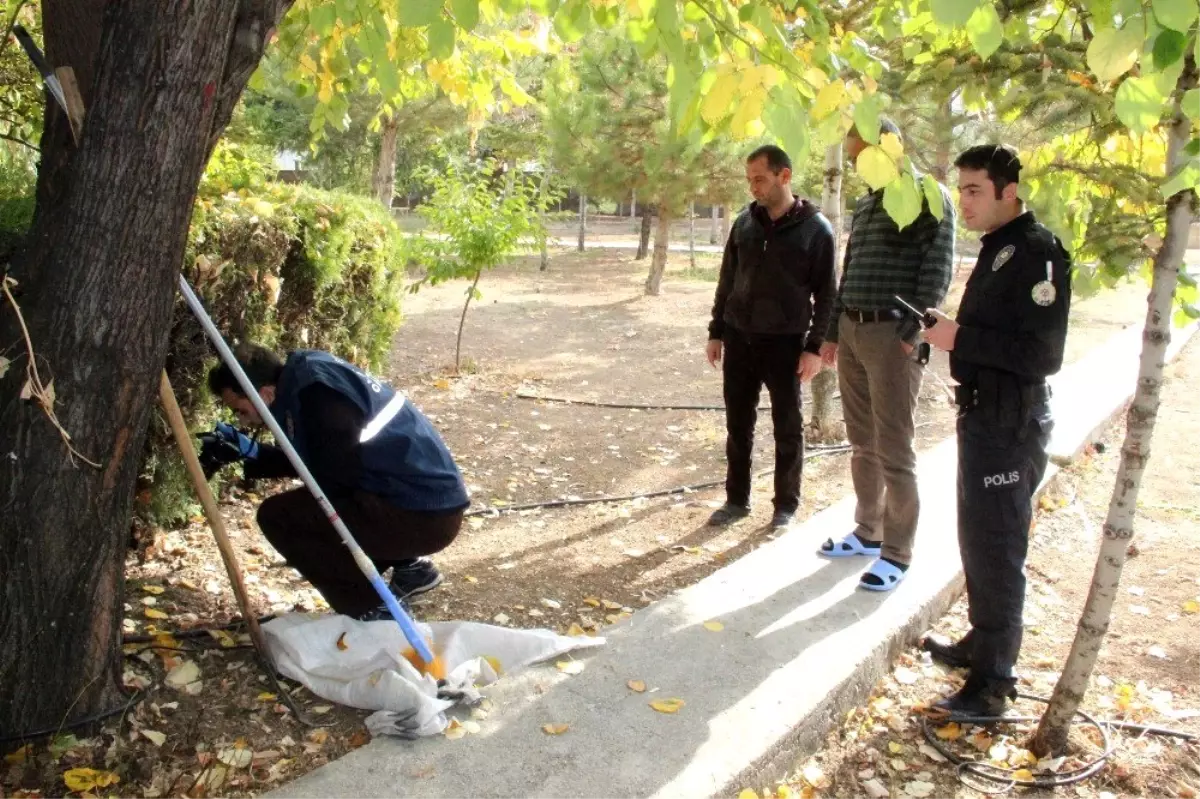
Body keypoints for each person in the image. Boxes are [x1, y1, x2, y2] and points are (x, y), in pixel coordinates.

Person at [921, 144, 1071, 715]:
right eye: (961, 189)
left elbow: (1043, 353)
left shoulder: (1037, 251)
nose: (965, 200)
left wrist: (958, 339)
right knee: (977, 539)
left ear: (1009, 191)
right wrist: (951, 333)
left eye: (975, 190)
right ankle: (981, 645)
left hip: (1011, 421)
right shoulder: (998, 247)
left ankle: (993, 685)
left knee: (999, 546)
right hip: (983, 415)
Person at [198, 344, 470, 621]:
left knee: (280, 518)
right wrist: (252, 454)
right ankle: (411, 568)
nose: (243, 421)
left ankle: (374, 610)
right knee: (322, 512)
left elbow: (330, 477)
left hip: (424, 517)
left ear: (265, 393)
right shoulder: (307, 375)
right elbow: (324, 457)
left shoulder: (319, 399)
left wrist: (256, 457)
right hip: (425, 500)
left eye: (242, 411)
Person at [817, 119, 957, 592]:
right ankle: (868, 531)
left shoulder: (927, 195)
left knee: (894, 446)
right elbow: (850, 268)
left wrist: (912, 328)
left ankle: (898, 551)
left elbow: (938, 266)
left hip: (892, 336)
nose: (857, 166)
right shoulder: (867, 202)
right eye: (852, 158)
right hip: (854, 330)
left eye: (862, 156)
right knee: (862, 441)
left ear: (889, 148)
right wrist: (834, 330)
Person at [705, 144, 837, 530]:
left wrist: (814, 348)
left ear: (785, 176)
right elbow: (727, 280)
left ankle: (785, 506)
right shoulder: (745, 223)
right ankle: (736, 500)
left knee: (787, 428)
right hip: (739, 340)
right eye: (749, 180)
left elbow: (828, 294)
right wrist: (716, 331)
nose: (753, 188)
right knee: (737, 426)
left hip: (786, 344)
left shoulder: (816, 230)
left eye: (759, 179)